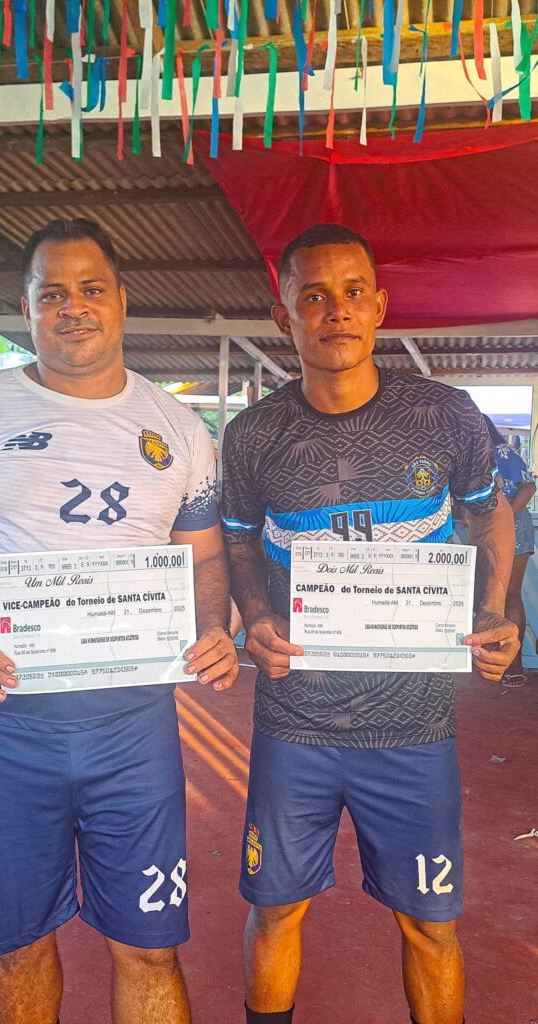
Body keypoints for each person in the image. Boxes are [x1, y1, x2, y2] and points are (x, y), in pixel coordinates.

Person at [0, 218, 239, 1024]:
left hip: (134, 725)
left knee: (150, 948)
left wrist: (212, 627)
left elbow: (204, 558)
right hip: (9, 723)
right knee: (17, 945)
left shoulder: (180, 429)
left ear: (121, 299)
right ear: (26, 308)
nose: (72, 307)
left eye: (90, 289)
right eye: (52, 294)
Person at [221, 223, 519, 1024]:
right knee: (275, 911)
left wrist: (494, 609)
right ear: (283, 317)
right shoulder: (253, 436)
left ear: (379, 306)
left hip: (414, 725)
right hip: (295, 722)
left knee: (429, 925)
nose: (337, 311)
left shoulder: (444, 415)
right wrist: (254, 615)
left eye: (353, 292)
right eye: (313, 296)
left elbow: (489, 513)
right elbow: (239, 542)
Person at [483, 415, 536, 687]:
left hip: (512, 526)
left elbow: (529, 487)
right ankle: (497, 661)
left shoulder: (503, 452)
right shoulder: (471, 457)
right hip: (488, 530)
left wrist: (505, 518)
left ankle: (514, 665)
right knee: (492, 595)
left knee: (509, 594)